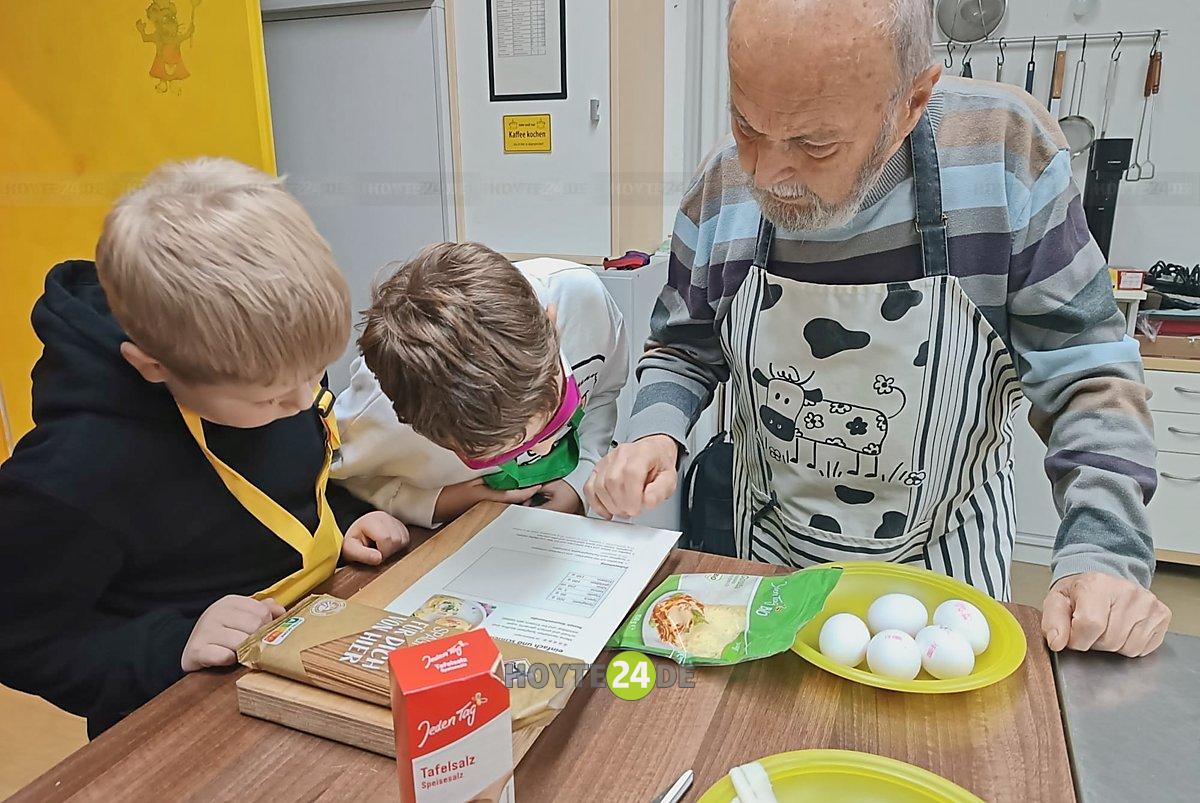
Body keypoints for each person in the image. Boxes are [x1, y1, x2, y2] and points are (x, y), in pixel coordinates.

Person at [586, 0, 1171, 657]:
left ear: (912, 101)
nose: (764, 174)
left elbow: (1087, 373)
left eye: (814, 144)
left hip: (943, 580)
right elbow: (683, 345)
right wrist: (655, 432)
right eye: (745, 124)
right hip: (770, 564)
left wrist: (1104, 547)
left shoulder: (1003, 157)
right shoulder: (724, 184)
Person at [0, 158, 409, 736]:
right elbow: (22, 639)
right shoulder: (71, 475)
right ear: (153, 367)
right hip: (181, 712)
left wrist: (342, 519)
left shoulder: (266, 365)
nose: (303, 401)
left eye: (315, 371)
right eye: (270, 397)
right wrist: (171, 646)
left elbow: (281, 480)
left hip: (302, 646)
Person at [333, 242, 627, 526]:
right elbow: (342, 482)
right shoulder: (376, 410)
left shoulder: (583, 300)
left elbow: (603, 393)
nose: (545, 446)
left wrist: (580, 479)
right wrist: (438, 503)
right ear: (415, 425)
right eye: (500, 450)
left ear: (551, 324)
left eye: (559, 409)